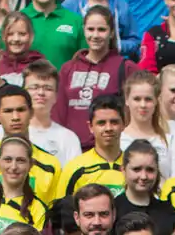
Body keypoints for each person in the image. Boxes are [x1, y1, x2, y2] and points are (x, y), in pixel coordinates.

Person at [56, 13, 130, 143]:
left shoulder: (126, 67)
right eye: (90, 29)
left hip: (109, 146)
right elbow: (59, 111)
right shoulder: (68, 68)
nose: (95, 35)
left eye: (101, 30)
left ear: (112, 33)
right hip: (72, 147)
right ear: (84, 30)